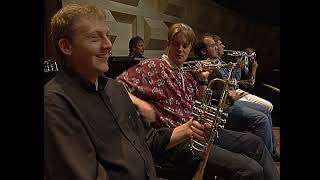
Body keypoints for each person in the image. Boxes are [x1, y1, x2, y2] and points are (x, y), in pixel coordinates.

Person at [44, 4, 212, 180]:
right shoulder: (55, 103)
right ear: (66, 46)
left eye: (107, 36)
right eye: (94, 38)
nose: (108, 44)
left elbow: (147, 139)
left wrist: (187, 129)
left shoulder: (115, 89)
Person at [117, 23, 279, 180]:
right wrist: (140, 103)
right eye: (176, 45)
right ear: (168, 44)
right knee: (251, 169)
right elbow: (115, 86)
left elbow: (201, 104)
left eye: (185, 46)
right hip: (176, 141)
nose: (180, 50)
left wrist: (202, 80)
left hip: (198, 132)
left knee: (256, 143)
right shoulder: (152, 66)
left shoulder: (187, 73)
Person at [193, 33, 280, 161]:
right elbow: (204, 97)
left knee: (265, 110)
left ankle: (271, 151)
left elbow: (228, 84)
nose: (217, 47)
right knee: (260, 119)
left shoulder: (215, 65)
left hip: (227, 101)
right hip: (220, 107)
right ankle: (264, 158)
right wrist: (227, 93)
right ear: (203, 51)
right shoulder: (201, 68)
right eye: (212, 46)